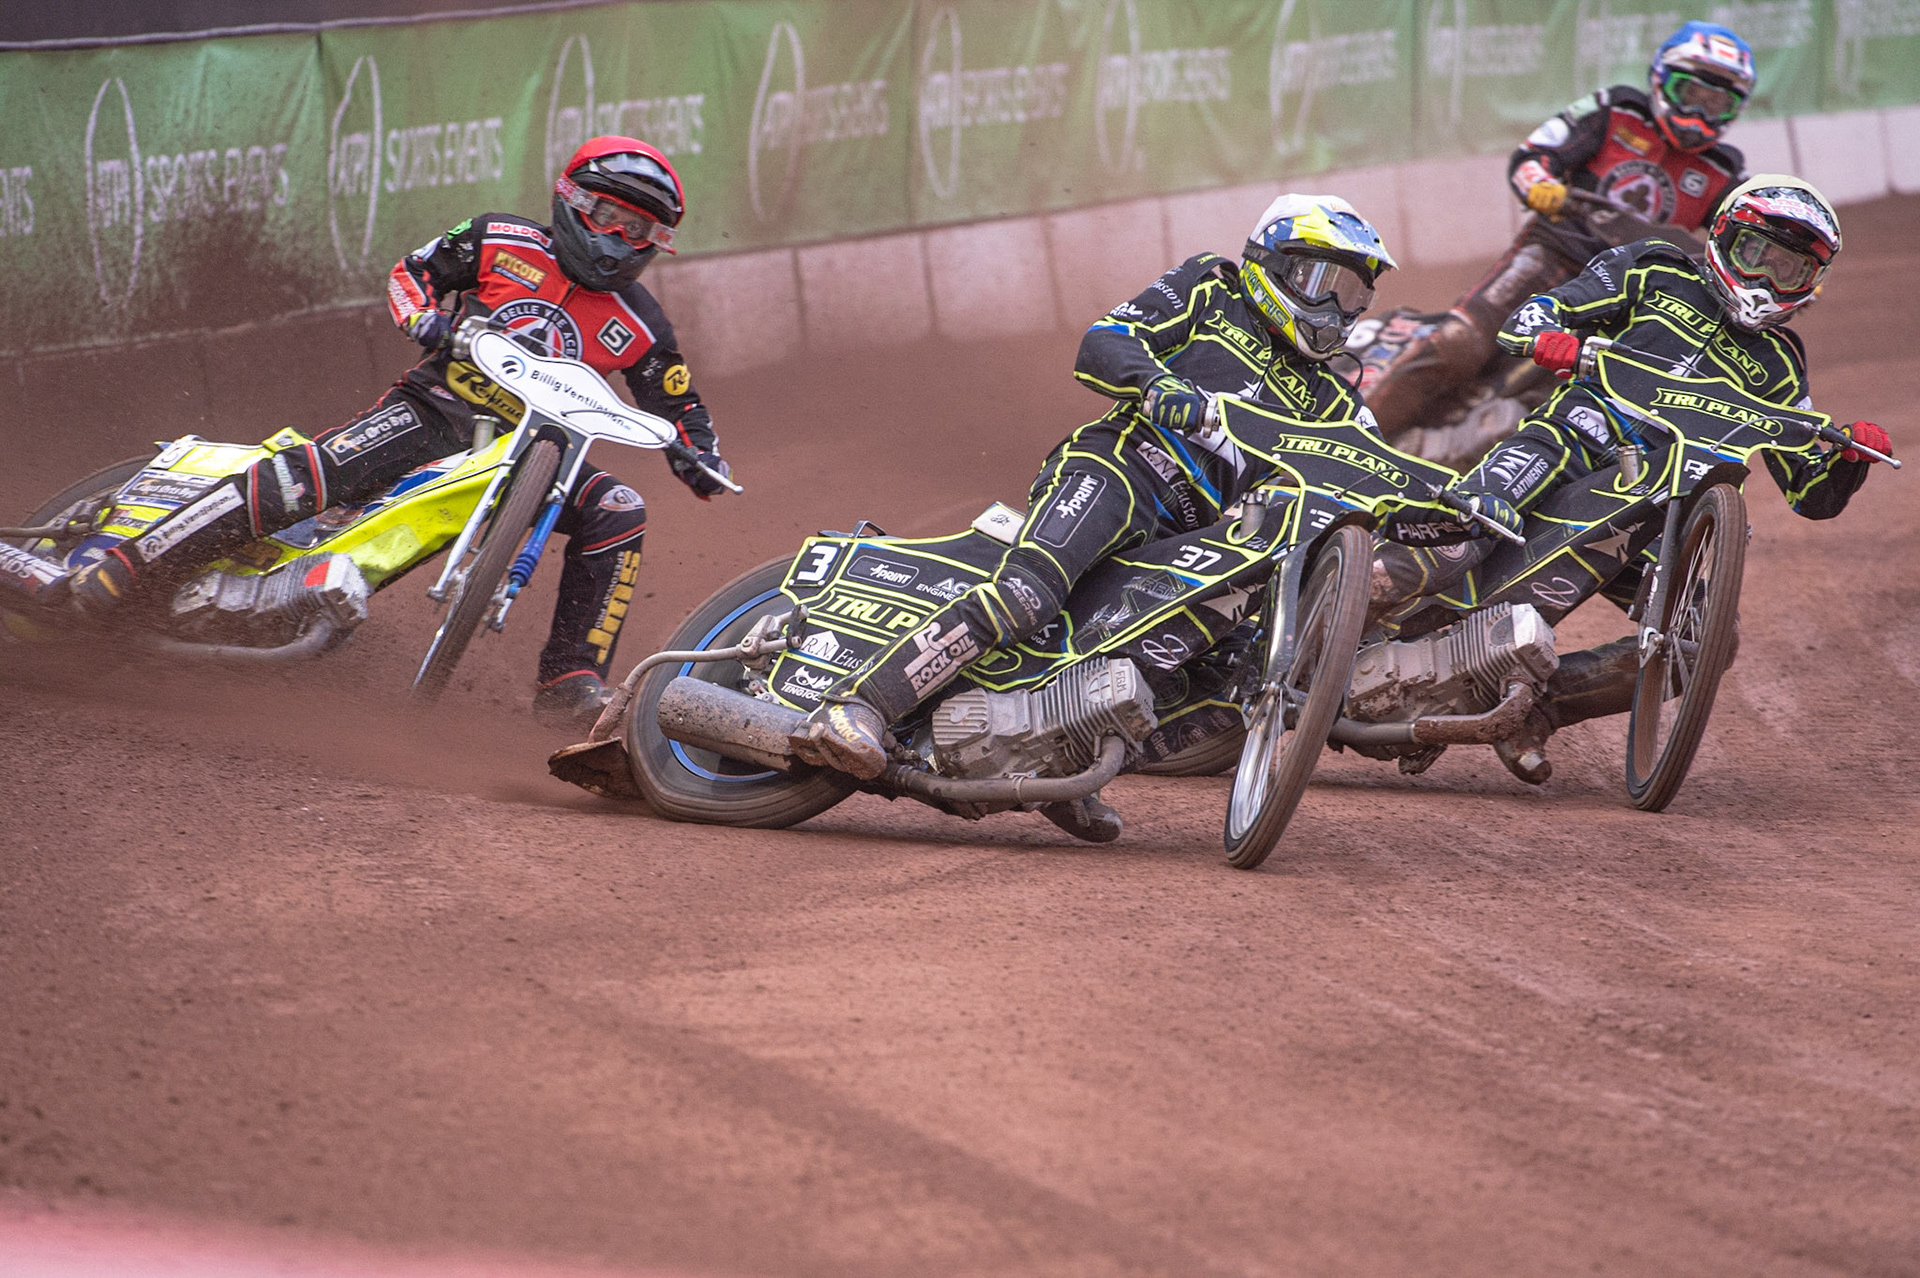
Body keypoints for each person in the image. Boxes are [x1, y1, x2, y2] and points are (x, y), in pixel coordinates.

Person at [788, 193, 1396, 840]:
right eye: (1323, 282)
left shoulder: (1337, 402)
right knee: (1029, 595)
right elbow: (1105, 340)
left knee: (1210, 680)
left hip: (1196, 542)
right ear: (1272, 261)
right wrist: (1159, 386)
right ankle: (859, 707)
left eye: (1354, 294)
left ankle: (1060, 754)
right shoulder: (1211, 289)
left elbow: (1374, 472)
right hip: (1122, 471)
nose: (1336, 307)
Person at [67, 136, 730, 725]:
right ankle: (134, 564)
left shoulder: (642, 323)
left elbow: (680, 404)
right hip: (432, 410)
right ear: (572, 200)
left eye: (639, 229)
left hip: (538, 454)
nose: (618, 238)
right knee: (312, 474)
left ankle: (569, 682)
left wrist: (699, 456)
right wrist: (427, 321)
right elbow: (413, 273)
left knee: (619, 509)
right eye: (610, 216)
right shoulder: (499, 238)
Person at [1374, 175, 1893, 782]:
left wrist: (1851, 458)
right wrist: (1552, 339)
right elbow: (1539, 312)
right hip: (1571, 440)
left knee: (1704, 643)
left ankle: (1536, 710)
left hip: (1656, 511)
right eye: (1759, 255)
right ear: (1725, 236)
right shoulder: (1655, 268)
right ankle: (1318, 617)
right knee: (1466, 528)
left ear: (1811, 284)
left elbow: (1811, 495)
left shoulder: (1779, 363)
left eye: (1790, 270)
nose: (1766, 280)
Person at [1366, 20, 1756, 438]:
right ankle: (1354, 436)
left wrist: (1775, 266)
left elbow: (1745, 236)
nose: (1698, 114)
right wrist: (1542, 186)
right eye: (1690, 95)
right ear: (1660, 80)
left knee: (1564, 403)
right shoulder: (1616, 110)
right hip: (1554, 256)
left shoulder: (1723, 169)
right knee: (1462, 344)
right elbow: (1535, 153)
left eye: (1715, 104)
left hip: (1629, 295)